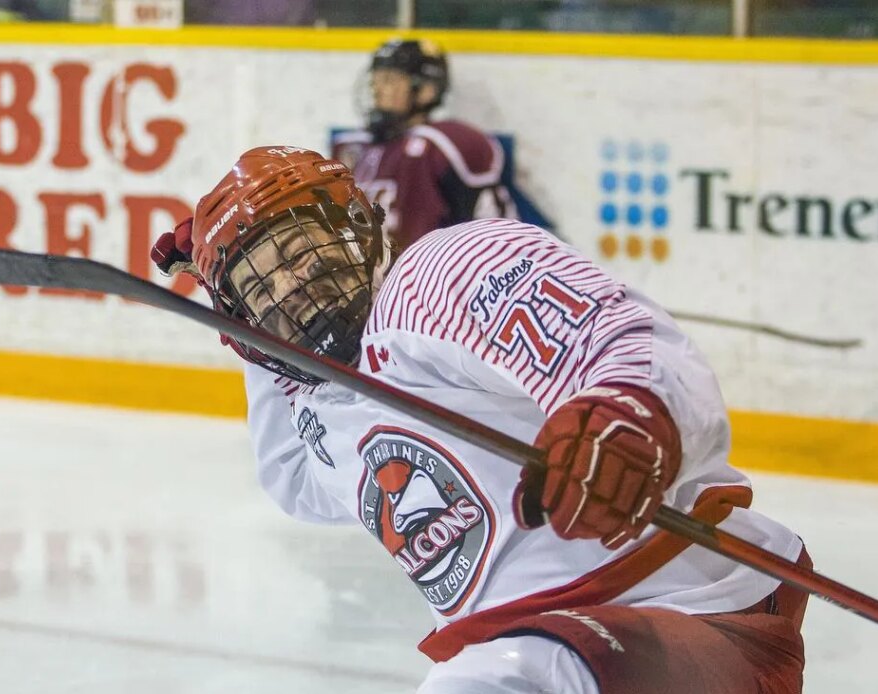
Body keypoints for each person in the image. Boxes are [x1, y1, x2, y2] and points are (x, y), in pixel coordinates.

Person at [151, 146, 809, 693]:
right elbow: (293, 478)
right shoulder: (322, 405)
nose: (291, 285)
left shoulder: (440, 275)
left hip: (692, 616)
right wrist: (237, 317)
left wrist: (628, 417)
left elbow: (622, 340)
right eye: (264, 286)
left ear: (354, 223)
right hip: (565, 650)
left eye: (298, 251)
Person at [332, 38, 524, 252]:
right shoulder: (352, 147)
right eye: (374, 80)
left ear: (426, 91)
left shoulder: (440, 146)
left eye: (389, 80)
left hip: (433, 274)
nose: (377, 90)